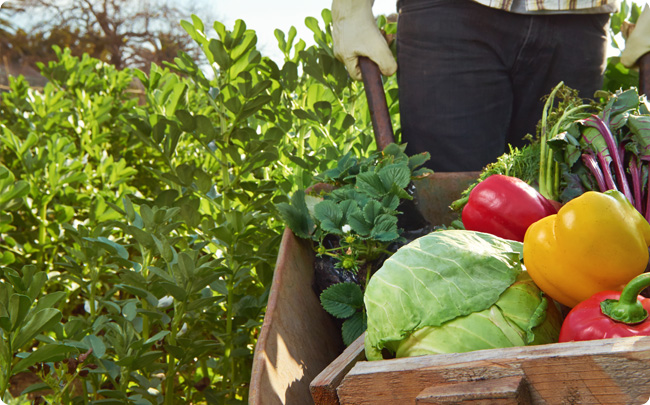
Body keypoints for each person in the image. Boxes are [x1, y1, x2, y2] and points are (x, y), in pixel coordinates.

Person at [332, 0, 650, 172]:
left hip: (580, 17)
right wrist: (350, 8)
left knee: (566, 194)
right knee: (449, 212)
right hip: (447, 14)